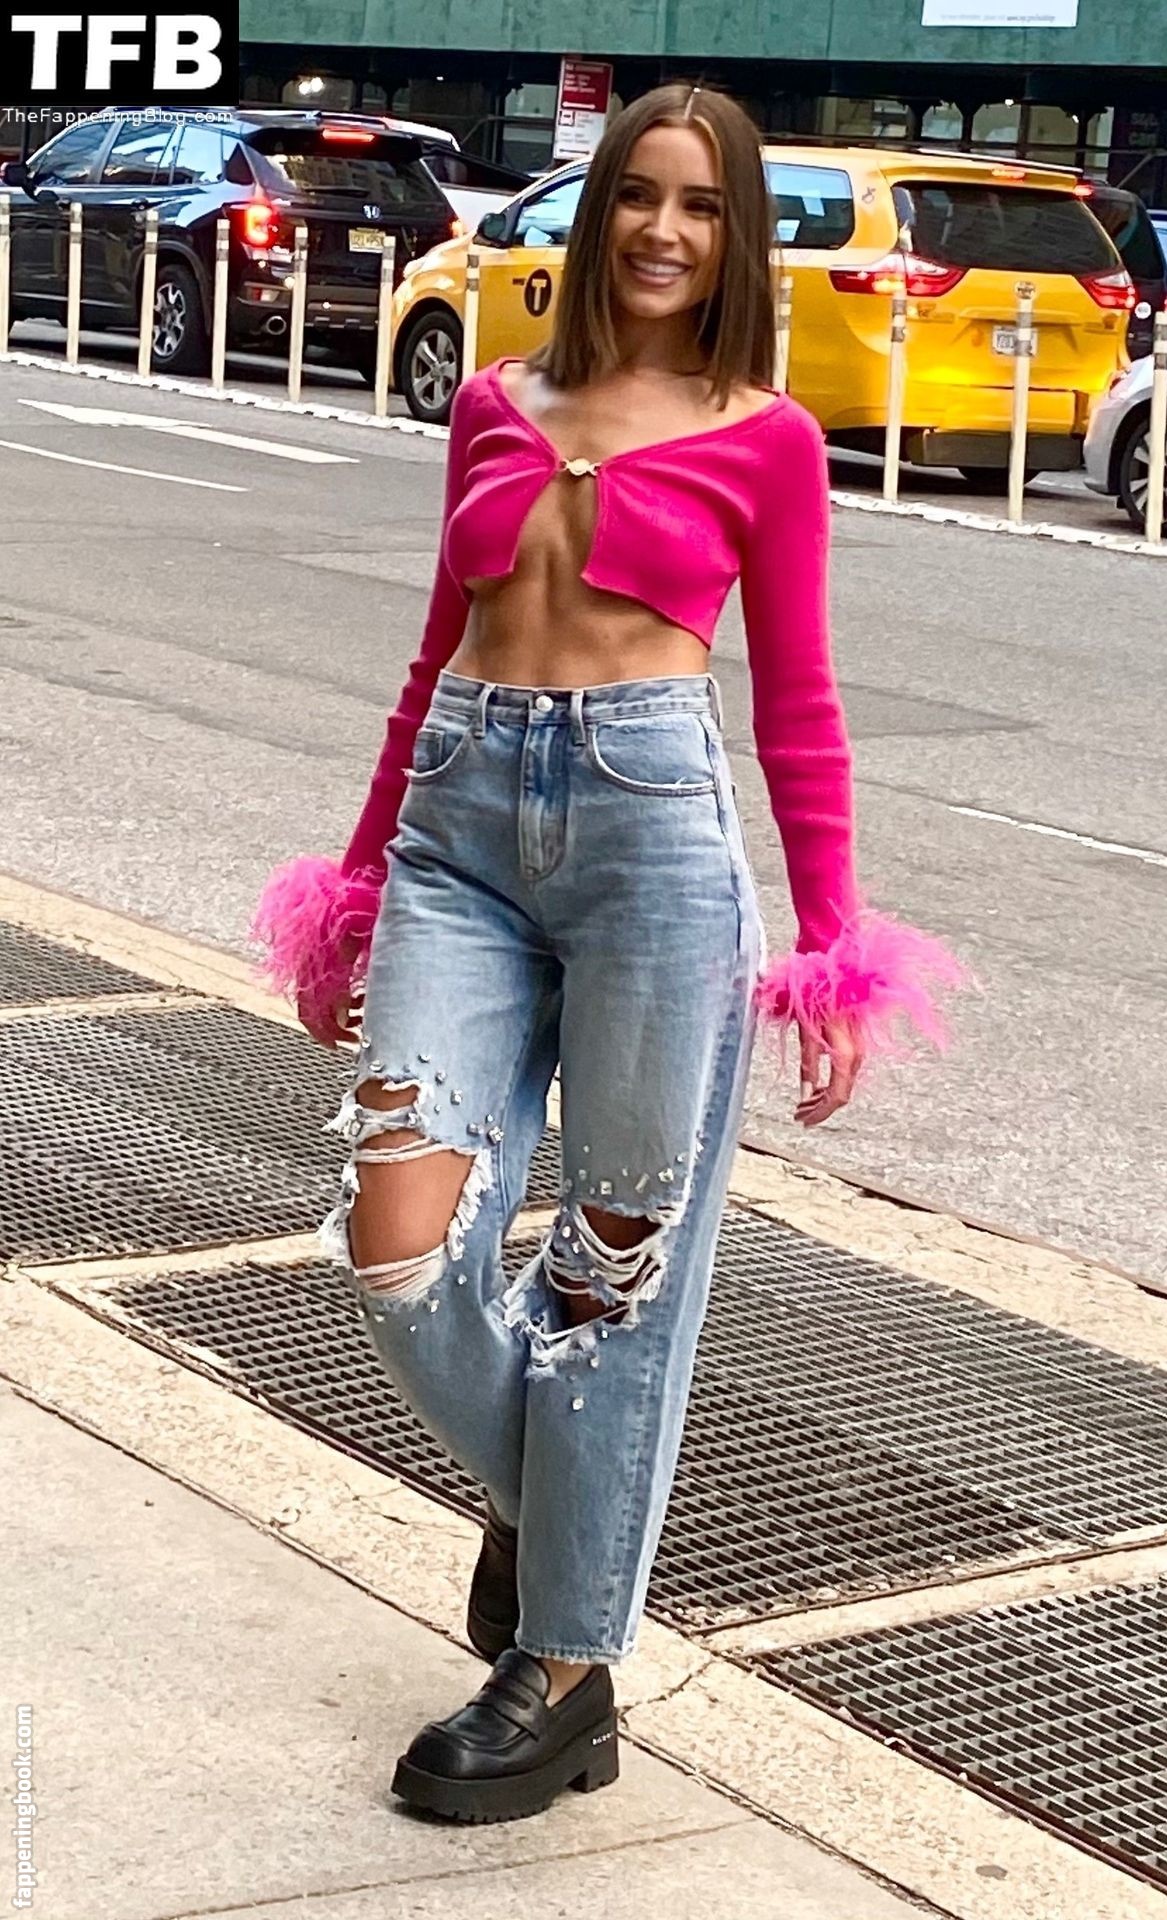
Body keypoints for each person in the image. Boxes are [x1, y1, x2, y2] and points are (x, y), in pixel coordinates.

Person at [253, 80, 961, 1825]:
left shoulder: (765, 438)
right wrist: (355, 885)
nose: (662, 229)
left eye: (701, 206)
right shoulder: (495, 402)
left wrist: (834, 943)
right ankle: (553, 1502)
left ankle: (563, 1672)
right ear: (594, 214)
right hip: (459, 834)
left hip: (656, 848)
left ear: (736, 238)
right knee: (397, 1232)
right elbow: (432, 654)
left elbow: (800, 703)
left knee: (610, 1271)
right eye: (638, 194)